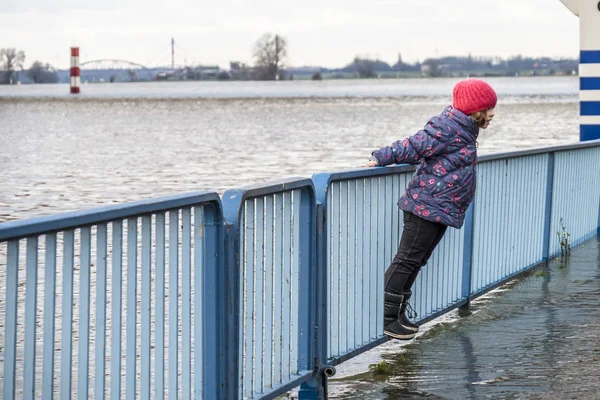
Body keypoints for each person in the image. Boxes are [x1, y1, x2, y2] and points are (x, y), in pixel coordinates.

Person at [365, 78, 497, 340]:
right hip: (425, 205)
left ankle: (399, 313)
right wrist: (381, 157)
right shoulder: (447, 127)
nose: (493, 114)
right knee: (406, 259)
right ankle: (385, 318)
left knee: (418, 261)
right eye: (489, 108)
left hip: (441, 207)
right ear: (475, 109)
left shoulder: (464, 129)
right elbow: (414, 145)